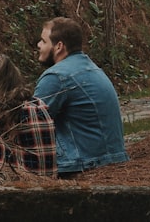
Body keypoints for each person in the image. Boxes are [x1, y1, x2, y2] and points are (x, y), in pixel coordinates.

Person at [33, 17, 129, 176]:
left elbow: (28, 125)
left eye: (43, 41)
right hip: (110, 158)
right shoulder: (92, 68)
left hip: (81, 163)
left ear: (59, 46)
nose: (38, 45)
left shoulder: (57, 76)